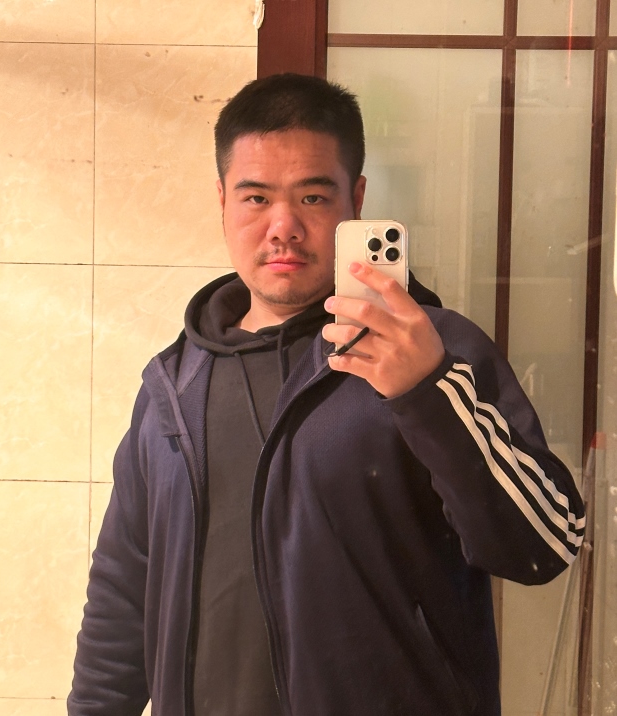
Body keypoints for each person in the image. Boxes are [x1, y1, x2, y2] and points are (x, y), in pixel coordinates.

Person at [68, 73, 585, 716]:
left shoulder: (436, 350)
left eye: (312, 196)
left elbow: (543, 546)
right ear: (223, 201)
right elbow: (123, 590)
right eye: (256, 198)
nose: (283, 227)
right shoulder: (174, 385)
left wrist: (428, 392)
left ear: (355, 200)